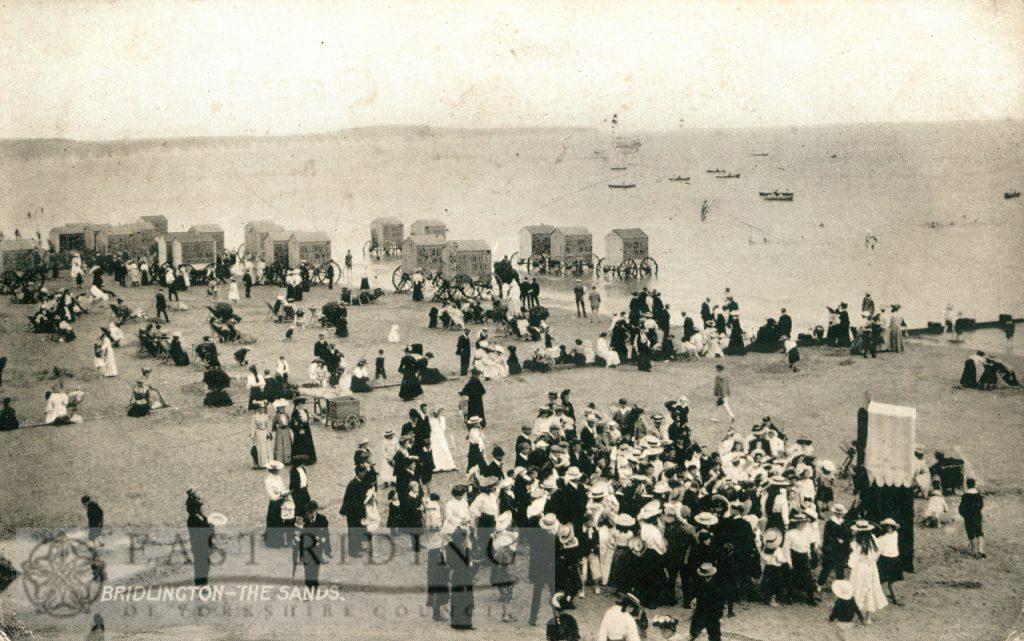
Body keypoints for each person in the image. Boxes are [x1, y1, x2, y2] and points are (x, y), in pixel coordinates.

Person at [847, 520, 887, 623]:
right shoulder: (873, 539)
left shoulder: (856, 543)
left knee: (857, 589)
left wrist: (851, 563)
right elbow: (879, 551)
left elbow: (852, 561)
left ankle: (854, 615)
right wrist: (872, 561)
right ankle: (868, 618)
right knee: (870, 590)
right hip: (871, 568)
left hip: (860, 569)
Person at [293, 501, 332, 590]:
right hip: (306, 547)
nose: (309, 514)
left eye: (311, 512)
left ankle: (315, 583)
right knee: (307, 566)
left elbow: (326, 534)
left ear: (315, 510)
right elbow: (296, 534)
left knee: (316, 565)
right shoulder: (301, 519)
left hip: (318, 547)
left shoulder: (323, 519)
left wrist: (328, 550)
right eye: (308, 512)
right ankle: (309, 585)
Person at [339, 465, 371, 557]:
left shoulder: (359, 481)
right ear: (359, 473)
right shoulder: (353, 484)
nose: (365, 474)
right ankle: (353, 551)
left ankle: (358, 546)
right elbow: (350, 500)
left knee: (358, 529)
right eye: (363, 472)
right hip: (353, 512)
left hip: (358, 510)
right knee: (353, 530)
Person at [185, 489, 215, 586]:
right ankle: (201, 585)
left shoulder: (194, 518)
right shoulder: (196, 518)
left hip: (199, 546)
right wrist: (210, 528)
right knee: (203, 566)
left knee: (202, 566)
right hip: (201, 546)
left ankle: (201, 584)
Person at [876, 518, 902, 605]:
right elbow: (878, 550)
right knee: (880, 580)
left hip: (894, 559)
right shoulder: (882, 538)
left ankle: (895, 598)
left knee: (891, 581)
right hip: (885, 560)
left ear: (893, 528)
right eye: (887, 527)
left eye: (891, 527)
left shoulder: (895, 534)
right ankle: (876, 596)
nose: (889, 528)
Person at [959, 478, 985, 558]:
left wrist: (963, 514)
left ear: (967, 485)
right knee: (979, 532)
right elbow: (981, 506)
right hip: (977, 516)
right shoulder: (978, 495)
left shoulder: (965, 496)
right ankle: (981, 550)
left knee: (971, 534)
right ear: (974, 484)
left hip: (968, 517)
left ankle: (974, 551)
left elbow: (961, 508)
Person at [429, 407, 457, 472]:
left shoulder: (442, 419)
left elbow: (443, 428)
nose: (436, 414)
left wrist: (439, 421)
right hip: (433, 435)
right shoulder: (430, 419)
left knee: (444, 448)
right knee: (435, 450)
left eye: (438, 413)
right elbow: (430, 428)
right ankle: (437, 465)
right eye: (435, 413)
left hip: (440, 435)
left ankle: (449, 465)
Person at [290, 397, 317, 465]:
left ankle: (309, 459)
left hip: (306, 430)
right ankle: (300, 460)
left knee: (308, 443)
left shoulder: (305, 411)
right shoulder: (295, 413)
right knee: (300, 445)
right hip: (299, 431)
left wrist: (309, 419)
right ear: (297, 405)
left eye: (302, 404)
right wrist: (299, 429)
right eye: (299, 404)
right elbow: (294, 423)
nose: (301, 405)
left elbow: (307, 420)